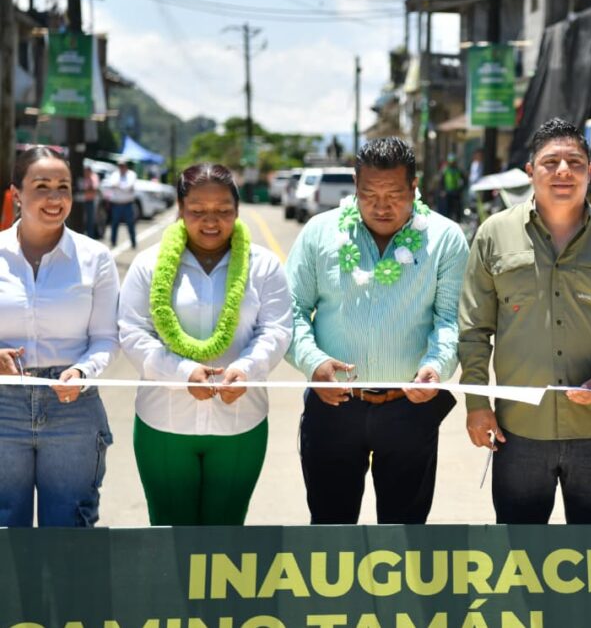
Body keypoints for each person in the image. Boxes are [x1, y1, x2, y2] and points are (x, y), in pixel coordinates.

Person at [458, 118, 591, 524]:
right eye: (551, 162)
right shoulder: (494, 235)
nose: (563, 171)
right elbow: (474, 329)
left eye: (574, 161)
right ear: (531, 171)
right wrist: (477, 404)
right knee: (520, 556)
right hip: (518, 431)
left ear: (590, 170)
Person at [286, 137, 469, 525]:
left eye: (394, 194)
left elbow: (449, 319)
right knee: (330, 532)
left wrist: (437, 366)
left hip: (409, 408)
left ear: (415, 188)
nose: (382, 206)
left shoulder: (446, 238)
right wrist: (312, 361)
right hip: (333, 407)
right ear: (355, 186)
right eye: (369, 194)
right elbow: (292, 311)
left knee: (405, 533)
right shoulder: (320, 233)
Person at [118, 164, 292, 526]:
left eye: (223, 211)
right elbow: (133, 332)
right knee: (169, 532)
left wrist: (246, 369)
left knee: (226, 536)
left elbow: (275, 330)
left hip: (240, 422)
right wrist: (180, 372)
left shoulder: (263, 266)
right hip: (164, 421)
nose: (211, 221)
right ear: (180, 210)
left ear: (238, 210)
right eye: (197, 211)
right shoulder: (149, 265)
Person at [0, 146, 120, 527]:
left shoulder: (95, 258)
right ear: (16, 193)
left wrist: (82, 373)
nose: (55, 198)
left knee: (70, 531)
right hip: (3, 406)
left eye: (63, 187)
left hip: (73, 407)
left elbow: (106, 337)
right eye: (42, 186)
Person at [103, 160, 137, 248]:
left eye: (123, 166)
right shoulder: (115, 174)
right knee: (114, 224)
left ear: (126, 166)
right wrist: (121, 187)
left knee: (130, 224)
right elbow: (112, 184)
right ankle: (113, 242)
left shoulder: (131, 174)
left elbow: (128, 186)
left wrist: (118, 187)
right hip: (117, 204)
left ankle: (133, 242)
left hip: (127, 203)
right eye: (120, 166)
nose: (121, 168)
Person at [440, 153, 465, 221]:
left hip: (456, 192)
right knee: (448, 209)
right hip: (448, 192)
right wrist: (443, 190)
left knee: (457, 209)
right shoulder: (445, 171)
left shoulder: (458, 170)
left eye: (453, 162)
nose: (452, 164)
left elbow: (464, 180)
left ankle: (458, 220)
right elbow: (441, 181)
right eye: (451, 162)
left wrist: (461, 189)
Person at [80, 165, 100, 239]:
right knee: (81, 221)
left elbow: (93, 189)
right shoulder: (82, 177)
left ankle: (90, 238)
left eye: (88, 171)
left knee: (90, 221)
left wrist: (87, 189)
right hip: (81, 202)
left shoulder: (94, 177)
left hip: (90, 202)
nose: (86, 172)